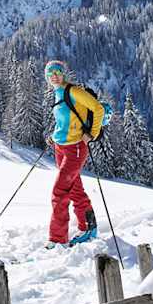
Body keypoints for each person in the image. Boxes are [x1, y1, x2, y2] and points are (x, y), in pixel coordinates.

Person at [43, 60, 104, 249]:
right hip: (60, 147)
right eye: (50, 73)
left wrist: (90, 135)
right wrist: (55, 136)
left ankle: (57, 239)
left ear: (64, 74)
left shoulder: (74, 91)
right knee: (74, 188)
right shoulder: (57, 93)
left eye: (58, 72)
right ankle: (88, 227)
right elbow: (65, 121)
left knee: (59, 192)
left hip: (75, 149)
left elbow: (98, 109)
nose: (54, 75)